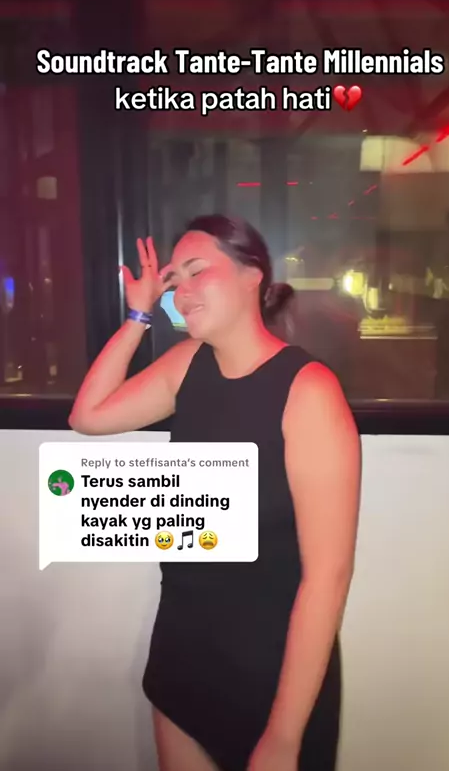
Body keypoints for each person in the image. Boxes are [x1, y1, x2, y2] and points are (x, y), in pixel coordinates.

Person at [69, 215, 361, 771]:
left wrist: (284, 736)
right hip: (183, 656)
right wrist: (139, 314)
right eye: (174, 280)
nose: (182, 292)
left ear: (253, 275)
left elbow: (328, 578)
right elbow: (88, 417)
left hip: (272, 672)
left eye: (197, 271)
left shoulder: (307, 391)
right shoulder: (188, 365)